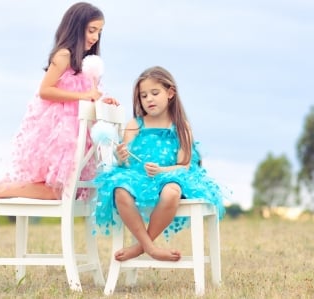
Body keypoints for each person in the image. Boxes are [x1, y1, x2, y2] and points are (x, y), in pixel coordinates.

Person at [0, 2, 118, 208]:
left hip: (76, 136)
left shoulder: (85, 63)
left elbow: (90, 94)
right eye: (91, 30)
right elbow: (45, 90)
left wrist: (102, 100)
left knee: (69, 190)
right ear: (76, 28)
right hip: (59, 133)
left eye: (99, 32)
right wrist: (85, 95)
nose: (95, 37)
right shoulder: (64, 55)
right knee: (59, 190)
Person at [93, 66, 227, 262]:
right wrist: (121, 155)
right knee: (120, 189)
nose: (149, 99)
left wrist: (162, 170)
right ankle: (151, 248)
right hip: (138, 176)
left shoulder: (180, 127)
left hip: (171, 176)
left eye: (155, 93)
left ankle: (140, 247)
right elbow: (126, 161)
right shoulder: (135, 124)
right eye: (143, 95)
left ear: (170, 93)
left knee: (171, 191)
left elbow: (184, 165)